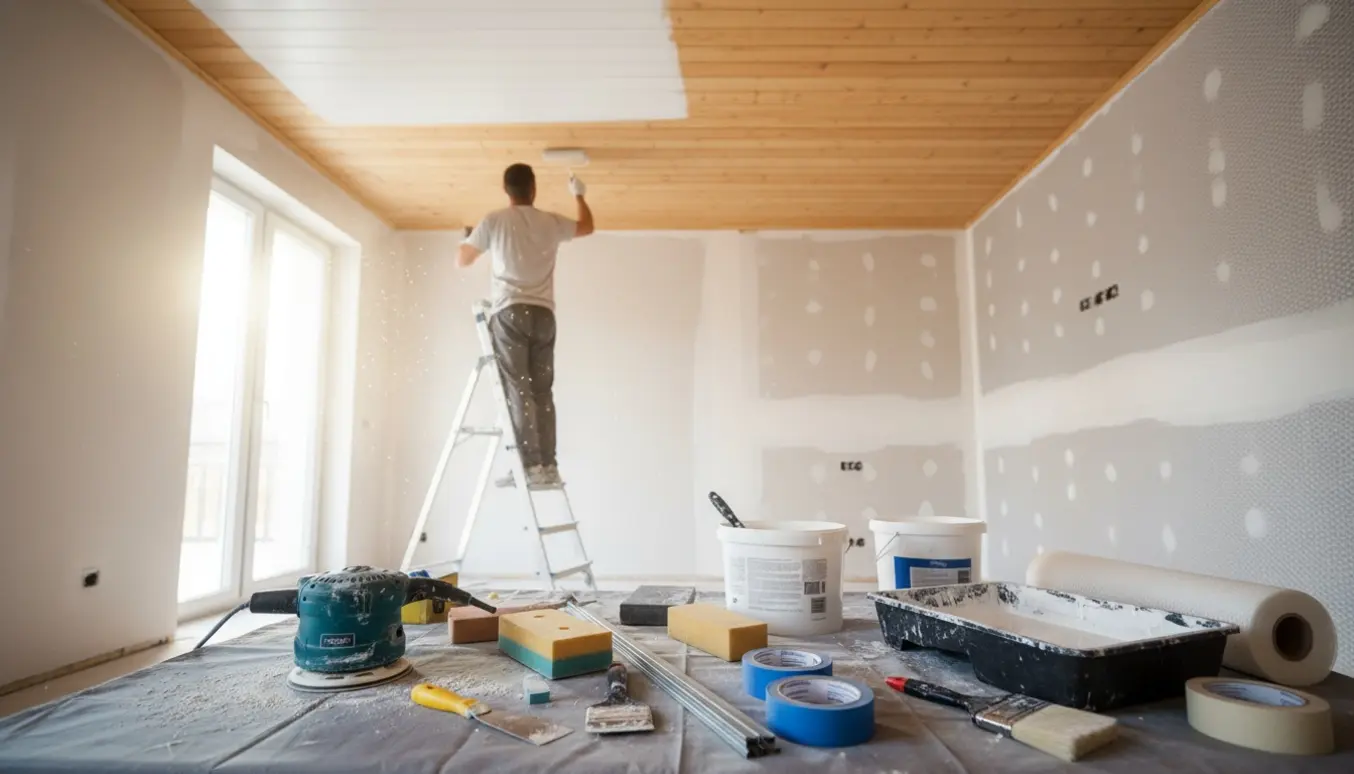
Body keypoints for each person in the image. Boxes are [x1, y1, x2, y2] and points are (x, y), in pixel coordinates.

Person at [456, 163, 594, 488]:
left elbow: (462, 259)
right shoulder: (550, 222)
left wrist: (469, 239)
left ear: (507, 191)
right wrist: (579, 195)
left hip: (511, 313)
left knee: (520, 390)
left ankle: (529, 467)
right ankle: (547, 467)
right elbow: (587, 226)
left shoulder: (494, 221)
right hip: (545, 316)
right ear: (533, 188)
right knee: (542, 392)